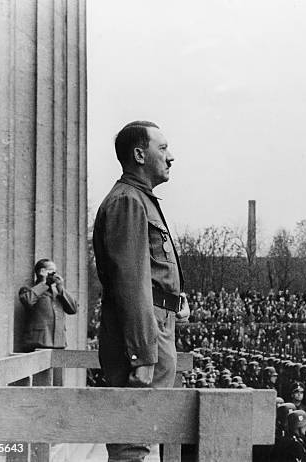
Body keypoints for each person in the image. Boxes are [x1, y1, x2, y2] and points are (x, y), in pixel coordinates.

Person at [93, 121, 190, 462]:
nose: (171, 156)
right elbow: (131, 283)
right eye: (162, 149)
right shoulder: (128, 202)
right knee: (132, 442)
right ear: (139, 154)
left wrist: (177, 298)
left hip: (157, 327)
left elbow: (149, 271)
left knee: (142, 435)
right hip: (145, 336)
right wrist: (142, 355)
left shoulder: (139, 200)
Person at [19, 258, 78, 351]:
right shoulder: (28, 289)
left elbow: (73, 309)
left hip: (59, 343)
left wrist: (60, 288)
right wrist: (44, 283)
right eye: (52, 271)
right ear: (42, 271)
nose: (55, 275)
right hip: (38, 342)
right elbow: (28, 301)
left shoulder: (58, 292)